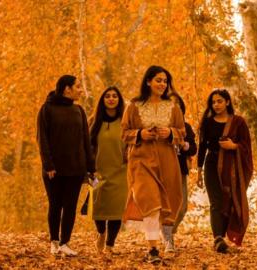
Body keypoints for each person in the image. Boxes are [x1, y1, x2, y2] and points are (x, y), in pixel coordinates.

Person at [121, 65, 184, 264]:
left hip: (167, 160)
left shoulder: (172, 107)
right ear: (148, 81)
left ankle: (163, 242)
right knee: (150, 202)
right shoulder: (134, 105)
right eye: (158, 80)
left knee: (168, 202)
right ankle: (153, 249)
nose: (162, 84)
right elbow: (124, 133)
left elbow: (182, 132)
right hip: (141, 160)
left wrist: (171, 133)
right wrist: (140, 134)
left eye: (165, 81)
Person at [37, 75, 95, 256]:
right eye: (77, 86)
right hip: (54, 169)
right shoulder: (47, 109)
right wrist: (48, 165)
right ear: (66, 89)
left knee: (70, 207)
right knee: (55, 205)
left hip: (76, 168)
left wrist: (91, 168)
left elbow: (86, 140)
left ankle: (65, 243)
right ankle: (54, 241)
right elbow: (42, 139)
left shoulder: (79, 110)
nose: (80, 90)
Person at [197, 89, 253, 253]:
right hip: (212, 163)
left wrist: (234, 146)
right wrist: (199, 171)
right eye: (213, 102)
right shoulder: (207, 122)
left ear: (227, 102)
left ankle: (224, 237)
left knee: (228, 200)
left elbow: (246, 145)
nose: (216, 105)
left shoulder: (238, 122)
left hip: (232, 167)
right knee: (216, 201)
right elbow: (202, 147)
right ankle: (218, 239)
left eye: (220, 101)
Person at [88, 86, 127, 254]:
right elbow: (87, 146)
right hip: (98, 172)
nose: (111, 99)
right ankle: (101, 233)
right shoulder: (93, 121)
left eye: (114, 96)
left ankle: (110, 245)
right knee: (98, 209)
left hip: (121, 172)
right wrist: (89, 169)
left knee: (116, 211)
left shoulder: (126, 121)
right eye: (107, 96)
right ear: (102, 100)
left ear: (119, 100)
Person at [166, 93, 197, 251]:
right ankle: (168, 239)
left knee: (182, 206)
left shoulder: (186, 126)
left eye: (177, 103)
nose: (174, 106)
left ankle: (169, 231)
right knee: (166, 206)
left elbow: (193, 148)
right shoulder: (159, 126)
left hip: (181, 170)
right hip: (163, 171)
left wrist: (184, 144)